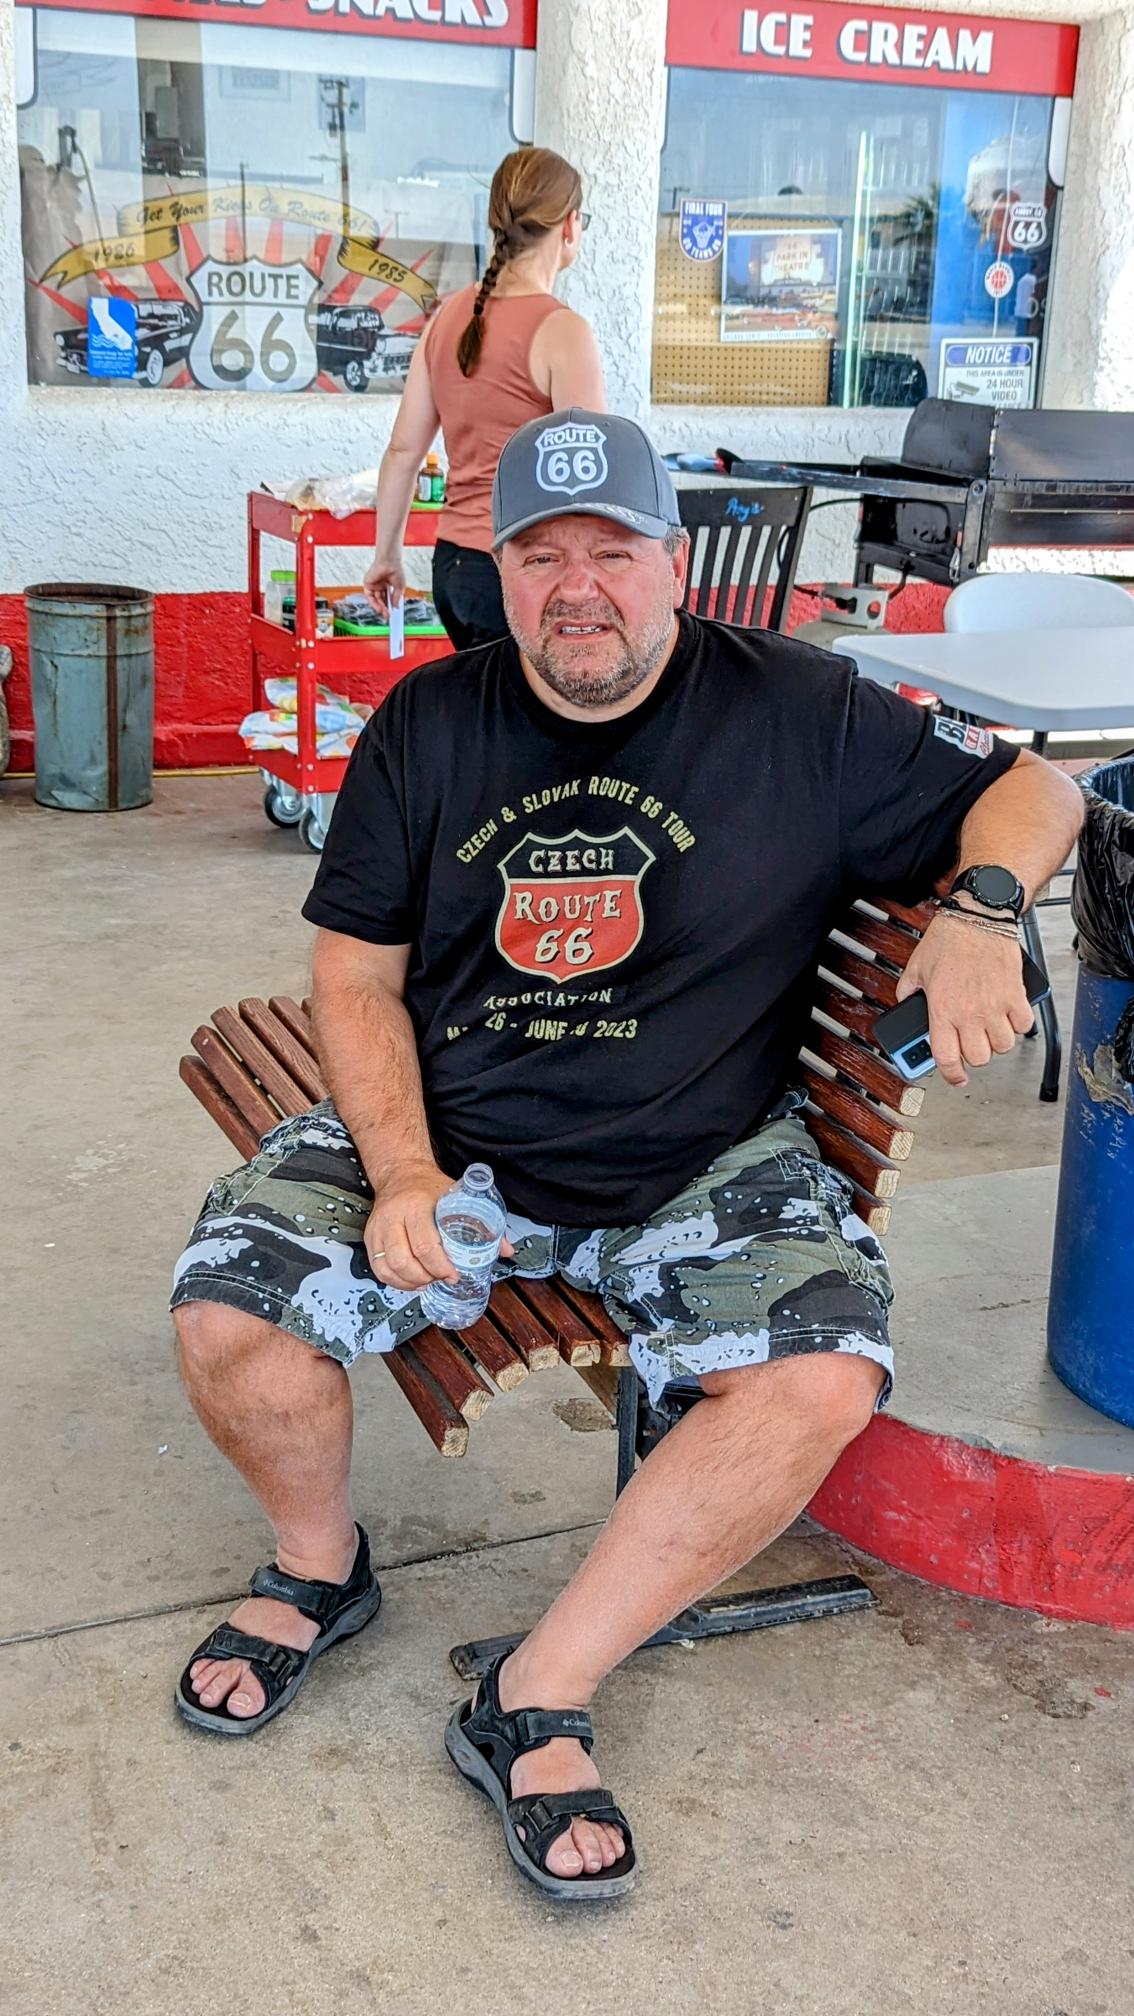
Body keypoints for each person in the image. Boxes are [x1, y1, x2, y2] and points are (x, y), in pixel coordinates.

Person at [171, 410, 1082, 1901]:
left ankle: (535, 1689)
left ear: (674, 563)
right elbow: (354, 971)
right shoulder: (430, 721)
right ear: (500, 574)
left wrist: (982, 911)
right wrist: (400, 1173)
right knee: (229, 1317)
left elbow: (1042, 787)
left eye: (614, 551)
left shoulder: (800, 708)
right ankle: (319, 1567)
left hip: (701, 1161)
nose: (578, 587)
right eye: (542, 556)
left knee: (818, 1379)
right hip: (451, 1139)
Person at [363, 146, 605, 650]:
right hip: (520, 574)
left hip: (453, 569)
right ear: (569, 225)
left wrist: (385, 556)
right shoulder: (564, 332)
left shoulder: (448, 317)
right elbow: (589, 483)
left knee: (479, 702)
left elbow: (402, 451)